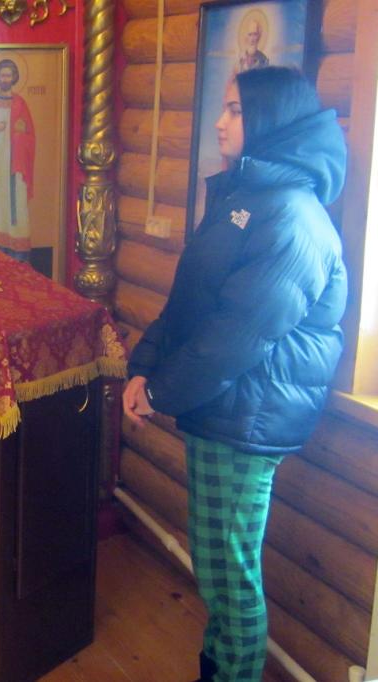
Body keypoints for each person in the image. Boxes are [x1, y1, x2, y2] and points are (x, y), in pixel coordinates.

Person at [122, 67, 347, 682]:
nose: (220, 123)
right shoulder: (246, 198)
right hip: (224, 406)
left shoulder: (292, 218)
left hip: (247, 417)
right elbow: (191, 302)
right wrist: (144, 367)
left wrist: (159, 390)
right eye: (224, 109)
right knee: (220, 564)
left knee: (229, 573)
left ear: (271, 120)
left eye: (236, 111)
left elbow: (235, 338)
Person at [0, 58, 36, 258]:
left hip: (14, 165)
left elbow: (30, 135)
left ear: (14, 78)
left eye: (9, 75)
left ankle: (18, 254)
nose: (5, 79)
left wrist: (19, 136)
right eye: (2, 75)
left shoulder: (20, 103)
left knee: (17, 204)